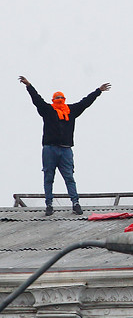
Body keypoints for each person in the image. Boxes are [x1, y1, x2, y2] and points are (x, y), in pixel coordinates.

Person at [18, 76, 110, 216]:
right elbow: (37, 100)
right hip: (50, 148)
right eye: (57, 98)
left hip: (65, 149)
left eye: (61, 98)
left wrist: (98, 91)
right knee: (50, 177)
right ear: (53, 100)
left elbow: (85, 102)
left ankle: (75, 203)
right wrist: (29, 86)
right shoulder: (49, 110)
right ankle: (49, 204)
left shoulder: (70, 111)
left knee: (68, 177)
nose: (59, 100)